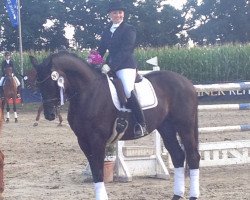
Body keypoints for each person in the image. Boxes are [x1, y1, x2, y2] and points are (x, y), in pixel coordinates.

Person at [97, 1, 148, 138]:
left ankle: (141, 124)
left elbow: (126, 50)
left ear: (123, 14)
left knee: (127, 90)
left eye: (120, 12)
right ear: (110, 15)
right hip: (110, 65)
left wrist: (111, 66)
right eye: (115, 12)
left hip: (126, 65)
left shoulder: (129, 29)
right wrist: (93, 60)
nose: (118, 15)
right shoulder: (107, 31)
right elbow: (101, 49)